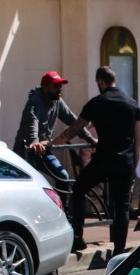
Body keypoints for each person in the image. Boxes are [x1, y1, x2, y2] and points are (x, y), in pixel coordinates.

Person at [63, 66, 140, 256]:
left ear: (100, 81)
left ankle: (78, 237)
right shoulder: (133, 105)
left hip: (103, 159)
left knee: (80, 189)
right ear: (114, 80)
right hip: (125, 161)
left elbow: (76, 128)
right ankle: (118, 250)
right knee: (121, 206)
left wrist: (53, 142)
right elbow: (139, 141)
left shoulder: (97, 102)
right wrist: (134, 168)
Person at [13, 71, 87, 199]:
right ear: (45, 87)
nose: (59, 89)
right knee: (29, 184)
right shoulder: (35, 101)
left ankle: (63, 213)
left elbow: (73, 121)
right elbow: (33, 120)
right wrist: (34, 141)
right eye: (55, 86)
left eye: (60, 86)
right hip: (26, 150)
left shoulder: (57, 101)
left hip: (43, 149)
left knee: (63, 177)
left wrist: (90, 137)